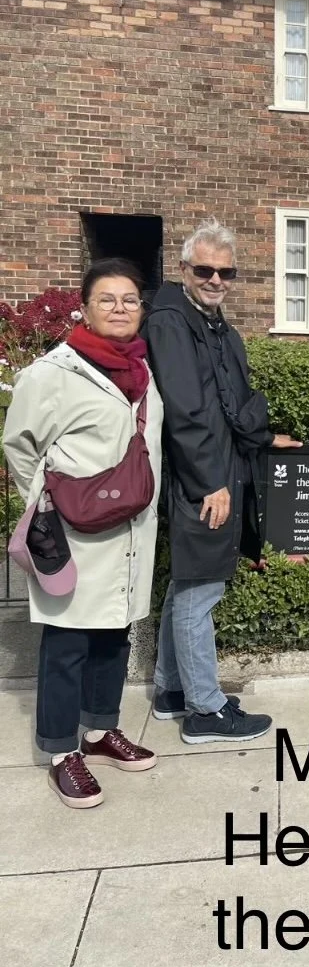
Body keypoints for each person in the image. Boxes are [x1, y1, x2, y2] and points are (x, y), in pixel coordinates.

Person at [3, 259, 163, 808]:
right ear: (86, 310)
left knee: (113, 634)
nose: (120, 308)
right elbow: (20, 445)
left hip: (130, 530)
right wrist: (51, 501)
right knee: (67, 641)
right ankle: (60, 751)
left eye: (130, 300)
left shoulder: (142, 372)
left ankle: (98, 730)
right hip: (74, 530)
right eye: (107, 299)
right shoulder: (53, 373)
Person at [142, 219, 301, 743]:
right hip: (203, 477)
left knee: (188, 583)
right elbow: (186, 411)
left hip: (219, 467)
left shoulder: (209, 323)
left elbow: (228, 399)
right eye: (204, 270)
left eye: (225, 272)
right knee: (201, 590)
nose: (215, 279)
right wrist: (212, 482)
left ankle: (171, 690)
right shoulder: (172, 323)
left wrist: (265, 438)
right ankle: (205, 712)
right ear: (183, 269)